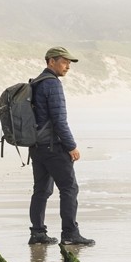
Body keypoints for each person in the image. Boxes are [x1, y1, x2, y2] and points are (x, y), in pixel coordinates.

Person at [27, 46, 95, 248]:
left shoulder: (36, 83)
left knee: (41, 190)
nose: (68, 66)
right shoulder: (52, 84)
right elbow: (59, 120)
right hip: (53, 147)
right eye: (64, 62)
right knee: (69, 188)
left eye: (69, 63)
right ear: (51, 61)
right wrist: (71, 146)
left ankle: (38, 233)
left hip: (36, 146)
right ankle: (70, 233)